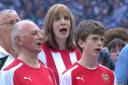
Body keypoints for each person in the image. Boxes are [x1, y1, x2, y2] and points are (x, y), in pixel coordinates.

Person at [60, 20, 117, 85]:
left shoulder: (110, 75)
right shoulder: (69, 76)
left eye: (101, 39)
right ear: (81, 43)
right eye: (94, 39)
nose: (99, 43)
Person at [0, 20, 56, 85]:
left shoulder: (49, 72)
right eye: (34, 33)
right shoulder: (9, 73)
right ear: (19, 40)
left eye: (40, 33)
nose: (41, 37)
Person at [38, 4, 81, 85]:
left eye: (66, 18)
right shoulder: (41, 51)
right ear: (50, 25)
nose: (63, 22)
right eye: (57, 19)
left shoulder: (77, 51)